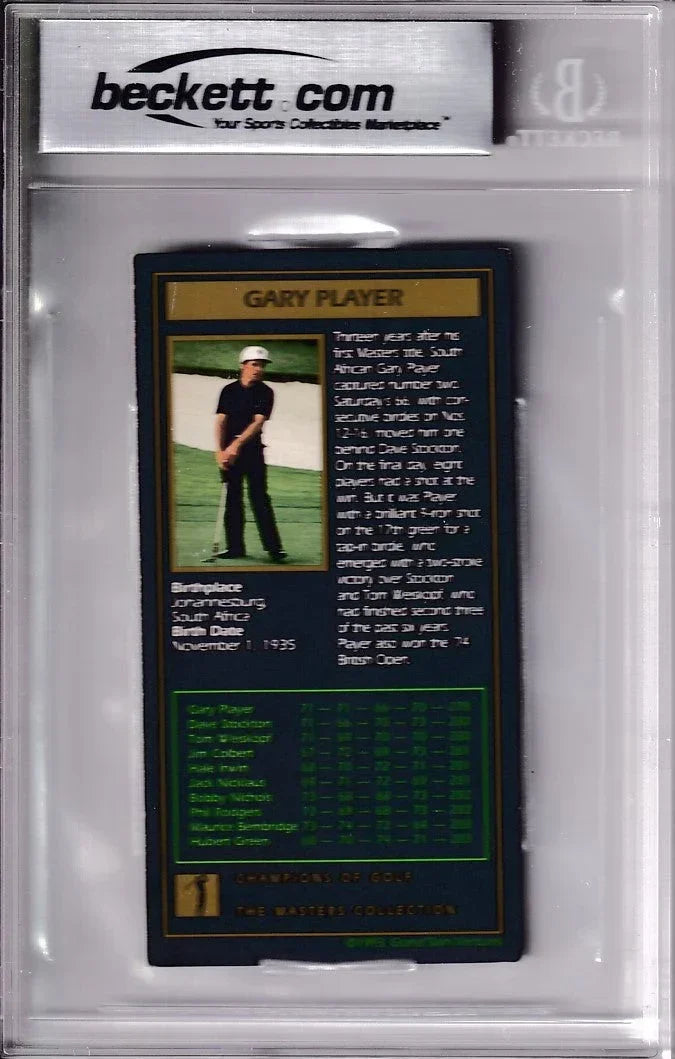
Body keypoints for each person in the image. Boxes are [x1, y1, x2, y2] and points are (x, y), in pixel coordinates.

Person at [214, 345, 287, 562]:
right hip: (229, 453)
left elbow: (257, 422)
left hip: (253, 452)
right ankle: (235, 547)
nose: (259, 369)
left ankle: (274, 549)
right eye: (254, 364)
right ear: (243, 365)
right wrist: (220, 451)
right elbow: (221, 421)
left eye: (262, 365)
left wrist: (235, 445)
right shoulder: (229, 390)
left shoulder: (265, 392)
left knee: (259, 498)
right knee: (232, 499)